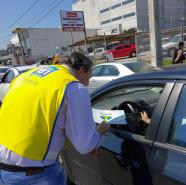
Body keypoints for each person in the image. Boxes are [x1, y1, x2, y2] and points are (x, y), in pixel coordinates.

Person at [0, 52, 109, 185]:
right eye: (89, 77)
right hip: (36, 174)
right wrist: (98, 132)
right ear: (80, 70)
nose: (87, 83)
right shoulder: (74, 88)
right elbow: (85, 145)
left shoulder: (26, 76)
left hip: (5, 169)